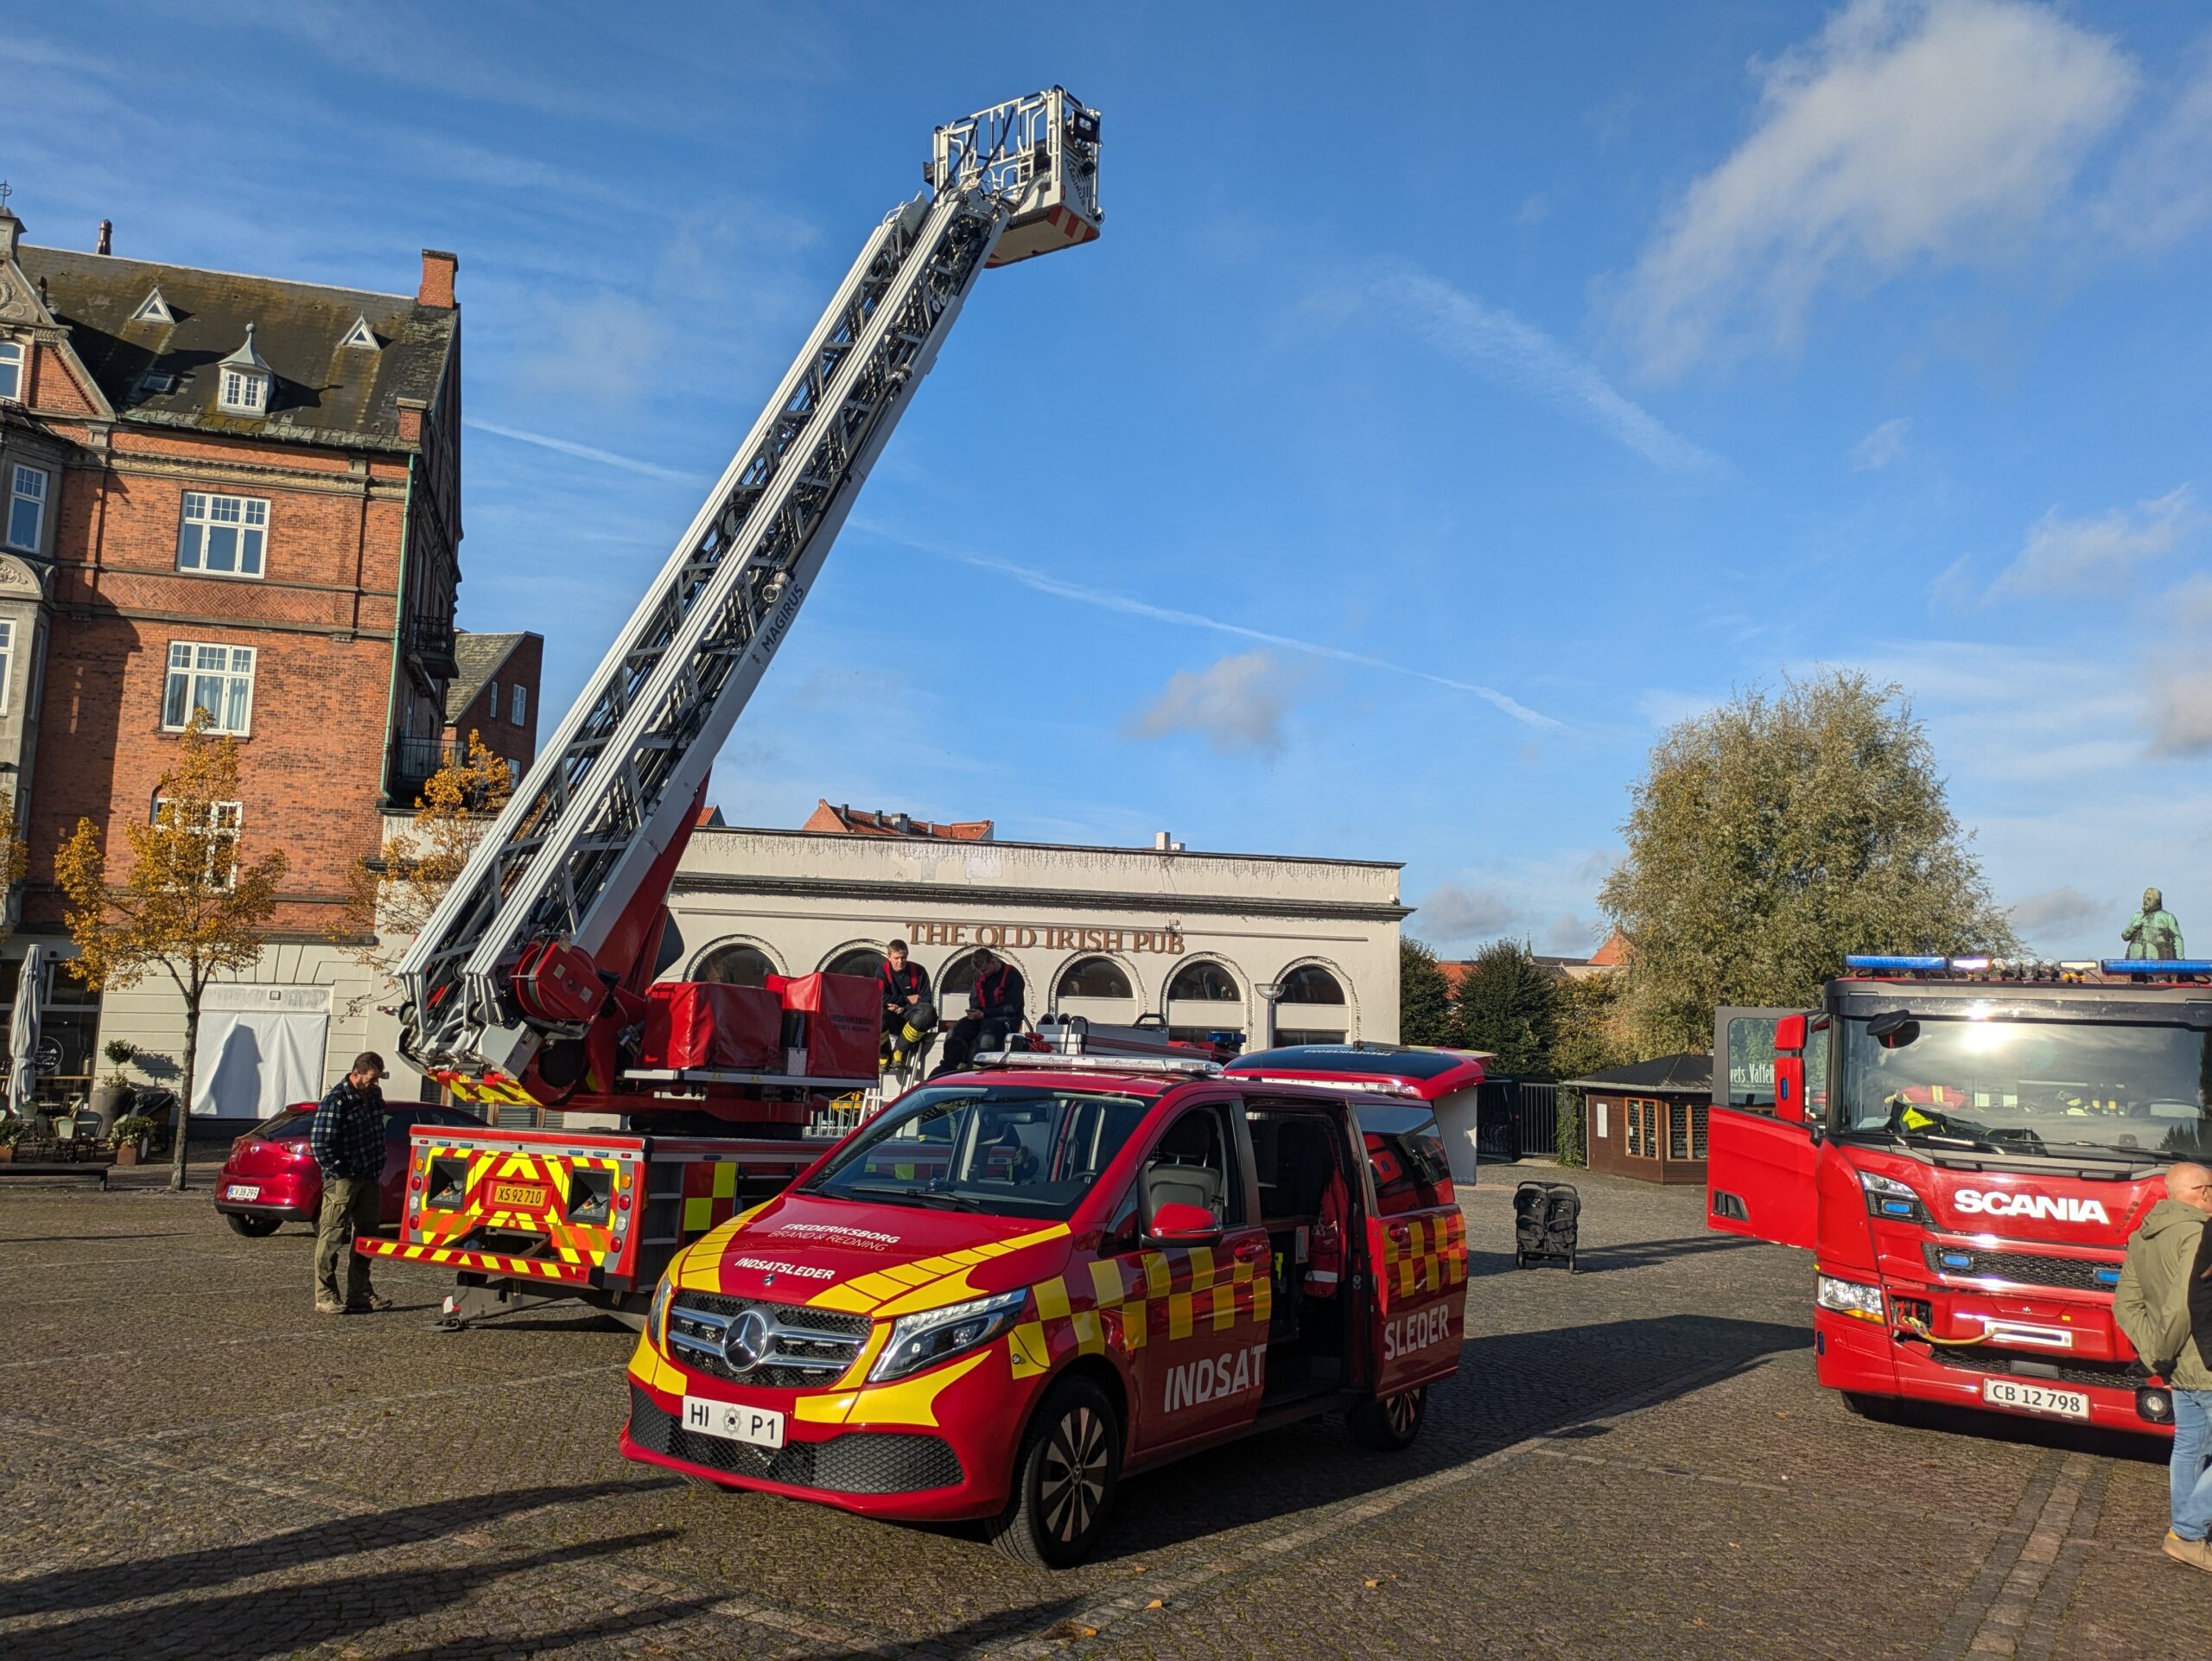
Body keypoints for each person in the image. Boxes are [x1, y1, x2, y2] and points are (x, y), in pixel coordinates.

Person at [2114, 1160, 2212, 1570]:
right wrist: (2164, 1352)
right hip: (2203, 1361)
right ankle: (2188, 1532)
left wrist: (2154, 1350)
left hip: (2178, 1365)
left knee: (2189, 1448)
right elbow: (2182, 1307)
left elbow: (2125, 1303)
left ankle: (2188, 1535)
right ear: (2202, 1192)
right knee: (2192, 1447)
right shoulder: (2199, 1232)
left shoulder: (2143, 1235)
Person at [309, 1052, 394, 1316]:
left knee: (366, 1236)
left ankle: (360, 1293)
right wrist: (339, 1172)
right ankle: (325, 1296)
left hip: (370, 1176)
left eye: (378, 1079)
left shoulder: (375, 1097)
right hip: (344, 1179)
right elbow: (320, 1144)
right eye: (371, 1078)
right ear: (356, 1073)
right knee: (333, 1236)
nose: (375, 1084)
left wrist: (379, 1163)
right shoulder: (336, 1100)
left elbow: (378, 1131)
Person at [938, 948, 1026, 1074]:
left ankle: (979, 1070)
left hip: (1006, 1019)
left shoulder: (1013, 976)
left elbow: (1012, 1008)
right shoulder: (980, 975)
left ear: (993, 962)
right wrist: (974, 1012)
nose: (983, 974)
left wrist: (985, 1014)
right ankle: (953, 1066)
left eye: (984, 970)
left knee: (987, 1036)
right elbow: (975, 998)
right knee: (955, 1031)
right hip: (982, 1016)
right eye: (980, 971)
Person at [878, 940, 936, 1066]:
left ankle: (899, 1051)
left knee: (928, 1012)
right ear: (889, 957)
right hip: (891, 1017)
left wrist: (902, 1009)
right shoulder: (882, 972)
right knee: (877, 1014)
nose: (900, 961)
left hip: (912, 1016)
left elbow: (925, 1000)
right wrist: (908, 999)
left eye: (903, 957)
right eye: (896, 958)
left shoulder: (919, 971)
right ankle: (884, 1054)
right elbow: (881, 998)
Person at [2124, 888, 2186, 960]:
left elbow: (2177, 938)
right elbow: (2124, 936)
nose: (2145, 900)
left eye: (2149, 898)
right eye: (2144, 898)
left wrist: (2180, 960)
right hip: (2135, 962)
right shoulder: (2137, 916)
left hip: (2160, 962)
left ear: (2157, 900)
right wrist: (2133, 927)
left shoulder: (2168, 917)